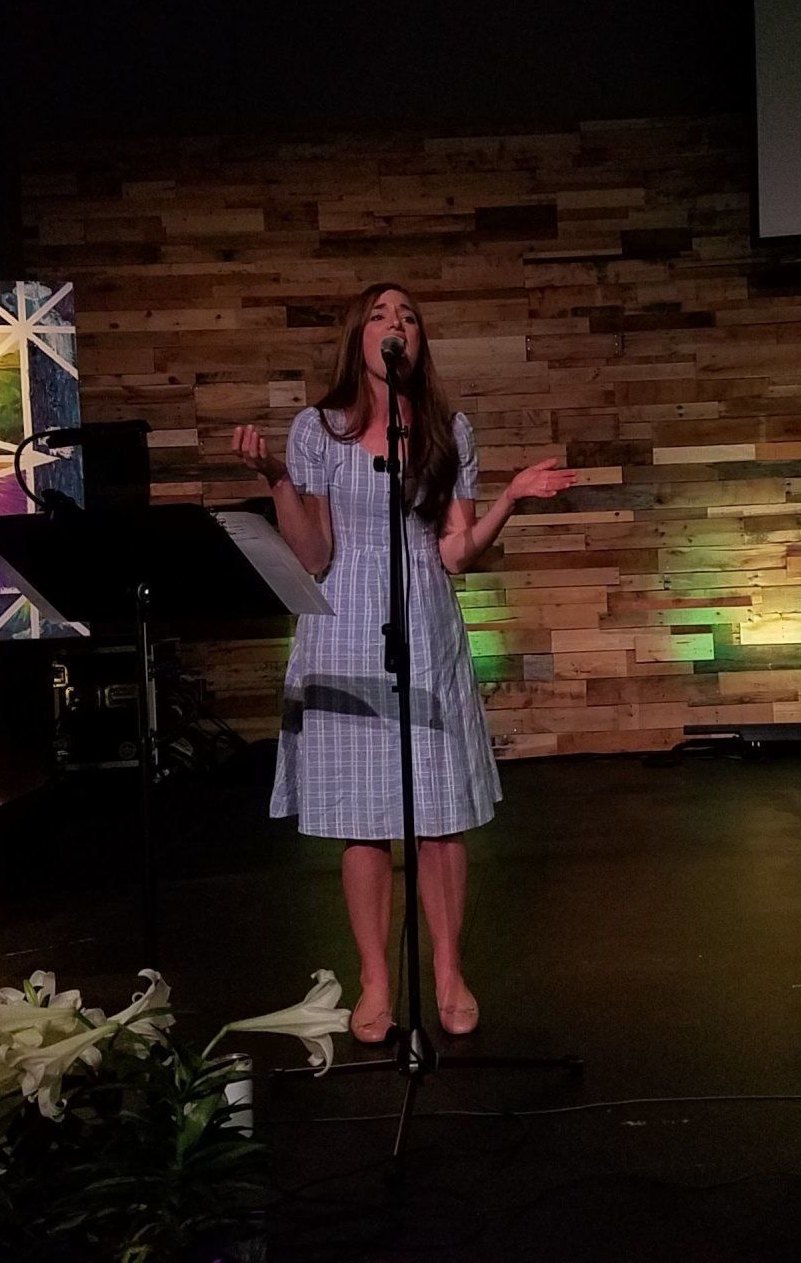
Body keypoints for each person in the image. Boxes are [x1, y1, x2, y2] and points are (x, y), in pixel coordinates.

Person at [232, 282, 575, 1042]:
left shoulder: (445, 428)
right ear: (359, 337)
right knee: (363, 819)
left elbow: (453, 550)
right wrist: (276, 483)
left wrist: (510, 497)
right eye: (383, 316)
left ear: (419, 341)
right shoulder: (317, 429)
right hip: (347, 618)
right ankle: (376, 980)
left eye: (410, 317)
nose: (398, 326)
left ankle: (448, 971)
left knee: (439, 816)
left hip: (423, 614)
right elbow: (314, 552)